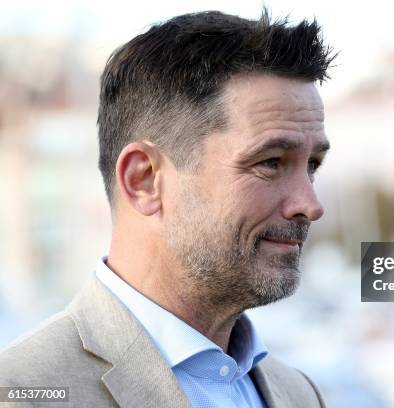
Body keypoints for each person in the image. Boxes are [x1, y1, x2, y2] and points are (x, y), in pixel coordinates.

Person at [0, 9, 335, 407]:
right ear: (144, 180)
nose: (310, 205)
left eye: (311, 166)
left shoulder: (300, 393)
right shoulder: (24, 391)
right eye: (270, 163)